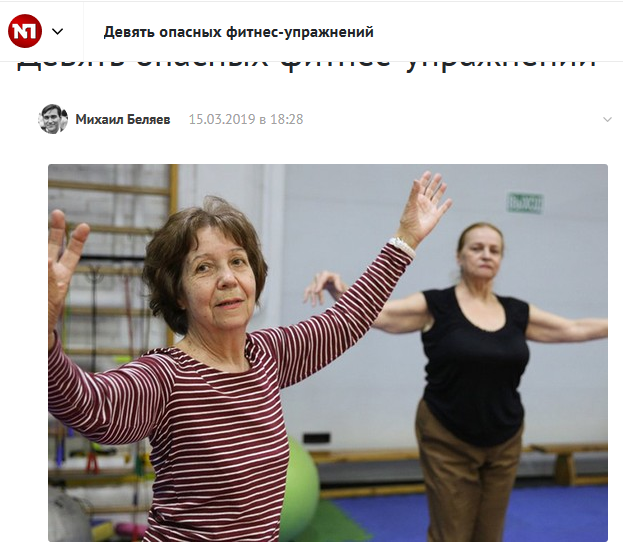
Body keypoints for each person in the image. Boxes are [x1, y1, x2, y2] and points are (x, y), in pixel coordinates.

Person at [48, 171, 453, 542]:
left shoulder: (266, 355)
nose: (228, 278)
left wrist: (405, 238)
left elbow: (347, 319)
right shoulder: (165, 376)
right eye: (204, 268)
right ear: (178, 293)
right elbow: (90, 406)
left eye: (238, 262)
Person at [304, 221, 608, 542]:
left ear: (501, 259)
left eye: (494, 250)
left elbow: (573, 328)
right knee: (451, 535)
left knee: (489, 537)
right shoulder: (436, 305)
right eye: (476, 248)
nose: (486, 255)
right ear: (459, 256)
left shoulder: (517, 312)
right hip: (446, 434)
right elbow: (379, 314)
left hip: (504, 438)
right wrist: (340, 290)